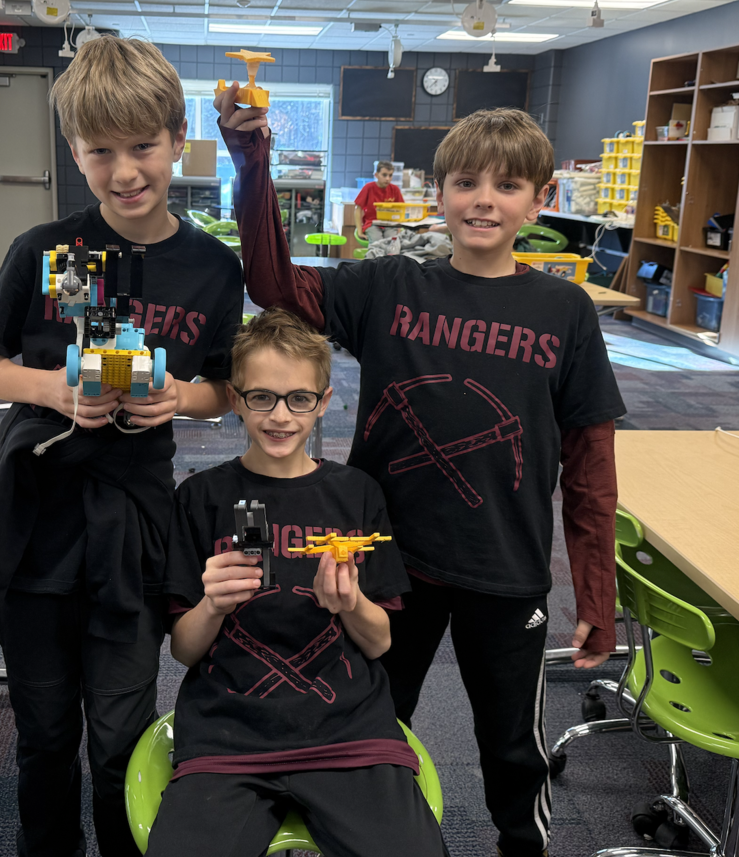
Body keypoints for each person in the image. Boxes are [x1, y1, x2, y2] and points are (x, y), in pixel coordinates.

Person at [217, 91, 626, 857]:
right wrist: (251, 161)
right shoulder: (389, 286)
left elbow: (590, 467)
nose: (483, 201)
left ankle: (522, 847)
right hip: (388, 560)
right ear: (436, 194)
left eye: (507, 186)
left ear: (541, 200)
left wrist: (596, 589)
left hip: (505, 568)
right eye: (466, 182)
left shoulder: (564, 311)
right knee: (373, 723)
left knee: (511, 743)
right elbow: (276, 286)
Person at [0, 36, 243, 857]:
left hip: (134, 528)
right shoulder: (51, 250)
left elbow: (225, 386)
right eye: (99, 151)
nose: (124, 172)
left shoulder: (212, 270)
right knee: (45, 736)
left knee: (121, 737)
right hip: (39, 521)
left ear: (177, 137)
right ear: (73, 151)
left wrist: (181, 400)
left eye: (143, 146)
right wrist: (54, 390)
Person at [147, 308, 445, 857]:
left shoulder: (356, 494)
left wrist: (351, 602)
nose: (279, 416)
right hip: (227, 732)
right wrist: (212, 606)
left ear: (324, 402)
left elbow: (380, 641)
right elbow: (185, 652)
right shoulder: (199, 497)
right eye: (261, 397)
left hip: (348, 731)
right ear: (235, 400)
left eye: (298, 399)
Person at [354, 159, 404, 232]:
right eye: (384, 175)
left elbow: (401, 209)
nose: (387, 178)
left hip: (390, 224)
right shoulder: (368, 188)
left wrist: (398, 227)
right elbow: (358, 208)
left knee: (392, 239)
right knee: (376, 239)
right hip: (372, 224)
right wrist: (359, 230)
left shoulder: (395, 189)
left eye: (390, 175)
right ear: (376, 175)